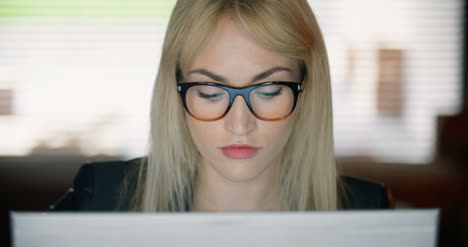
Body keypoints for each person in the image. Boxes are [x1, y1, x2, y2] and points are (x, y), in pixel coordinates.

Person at [51, 0, 392, 212]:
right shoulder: (100, 199)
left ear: (307, 91)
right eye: (211, 92)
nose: (239, 124)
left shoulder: (368, 210)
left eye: (270, 90)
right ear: (176, 91)